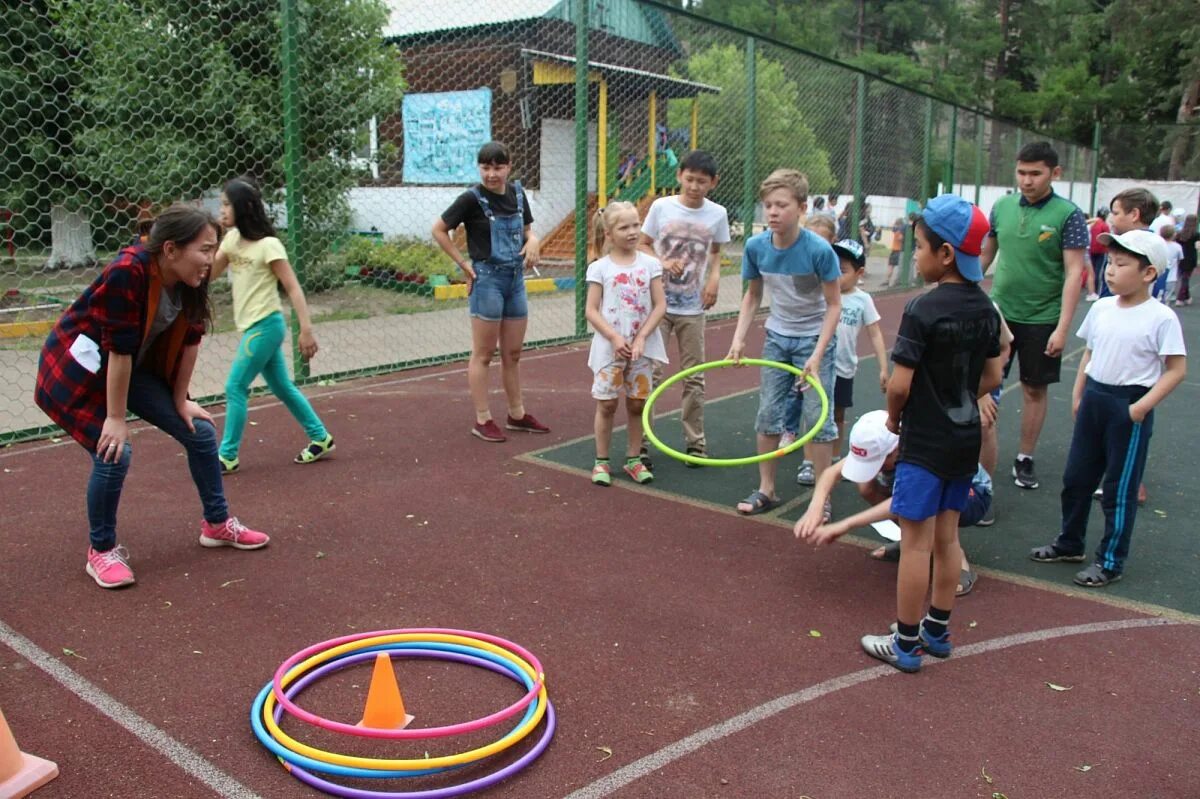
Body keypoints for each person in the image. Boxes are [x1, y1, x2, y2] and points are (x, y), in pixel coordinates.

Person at [34, 204, 269, 590]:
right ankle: (101, 551)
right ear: (171, 249)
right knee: (113, 450)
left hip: (131, 366)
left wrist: (180, 401)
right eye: (205, 249)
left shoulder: (193, 274)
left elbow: (191, 338)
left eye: (214, 248)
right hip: (79, 372)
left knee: (201, 432)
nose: (212, 259)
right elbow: (117, 351)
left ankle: (216, 524)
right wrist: (115, 418)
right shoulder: (128, 272)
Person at [859, 194, 1003, 672]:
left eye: (919, 246)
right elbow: (995, 373)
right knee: (947, 540)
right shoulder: (985, 307)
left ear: (944, 254)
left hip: (925, 441)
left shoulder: (923, 309)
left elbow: (899, 384)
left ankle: (904, 642)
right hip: (964, 440)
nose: (915, 254)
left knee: (915, 544)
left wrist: (897, 419)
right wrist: (962, 391)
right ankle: (938, 632)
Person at [1029, 229, 1186, 587]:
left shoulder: (1160, 317)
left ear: (1148, 273)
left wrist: (1140, 408)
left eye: (1121, 264)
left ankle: (1111, 561)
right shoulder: (1100, 307)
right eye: (1109, 263)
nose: (1110, 270)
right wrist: (1078, 394)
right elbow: (1089, 353)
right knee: (1075, 479)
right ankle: (1070, 542)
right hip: (1094, 400)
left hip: (1128, 406)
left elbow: (1177, 370)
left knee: (1119, 488)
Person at [727, 169, 841, 517]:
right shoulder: (756, 247)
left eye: (781, 205)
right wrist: (738, 339)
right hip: (777, 336)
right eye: (767, 206)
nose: (772, 212)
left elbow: (835, 305)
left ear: (801, 207)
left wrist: (818, 355)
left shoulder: (819, 250)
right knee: (768, 413)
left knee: (817, 418)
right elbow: (753, 295)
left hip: (813, 338)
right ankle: (767, 489)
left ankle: (822, 499)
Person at [981, 141, 1088, 491]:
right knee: (983, 383)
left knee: (1033, 389)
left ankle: (1024, 457)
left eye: (1035, 173)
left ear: (1055, 173)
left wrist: (1061, 328)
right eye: (1021, 172)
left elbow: (1074, 273)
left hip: (1043, 318)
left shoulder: (1068, 215)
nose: (1027, 180)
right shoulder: (1001, 207)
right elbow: (986, 254)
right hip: (1000, 314)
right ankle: (977, 462)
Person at [794, 411, 994, 598]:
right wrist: (816, 506)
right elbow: (831, 472)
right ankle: (913, 539)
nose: (878, 467)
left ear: (894, 450)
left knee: (935, 501)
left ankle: (958, 561)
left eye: (880, 461)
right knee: (866, 486)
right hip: (915, 490)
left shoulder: (919, 453)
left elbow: (902, 502)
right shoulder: (889, 440)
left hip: (973, 494)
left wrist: (846, 524)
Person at [209, 177, 334, 473]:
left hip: (266, 325)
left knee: (235, 386)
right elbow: (208, 274)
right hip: (253, 327)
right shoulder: (230, 241)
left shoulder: (268, 245)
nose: (222, 210)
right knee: (282, 386)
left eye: (226, 204)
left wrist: (306, 329)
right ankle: (320, 437)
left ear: (243, 207)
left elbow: (292, 288)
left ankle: (227, 455)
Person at [432, 141, 548, 442]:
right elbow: (439, 230)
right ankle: (483, 419)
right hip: (487, 280)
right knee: (484, 353)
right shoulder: (471, 198)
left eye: (498, 167)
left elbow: (527, 231)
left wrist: (533, 240)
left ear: (508, 167)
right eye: (486, 167)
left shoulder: (517, 194)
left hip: (515, 280)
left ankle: (517, 414)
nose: (492, 174)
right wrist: (463, 264)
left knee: (513, 353)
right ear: (479, 168)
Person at [638, 149, 731, 465]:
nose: (694, 186)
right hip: (658, 305)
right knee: (651, 372)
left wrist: (714, 279)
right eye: (689, 179)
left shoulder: (717, 214)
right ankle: (641, 443)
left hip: (693, 307)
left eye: (701, 182)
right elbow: (642, 244)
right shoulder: (662, 207)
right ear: (679, 176)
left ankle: (695, 443)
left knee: (693, 376)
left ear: (712, 183)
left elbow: (716, 252)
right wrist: (662, 262)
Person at [585, 201, 668, 486]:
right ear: (608, 233)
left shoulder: (651, 264)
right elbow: (591, 310)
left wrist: (642, 336)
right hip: (610, 350)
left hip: (641, 350)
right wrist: (614, 337)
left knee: (637, 403)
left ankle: (634, 458)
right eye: (624, 227)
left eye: (636, 225)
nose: (633, 231)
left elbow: (660, 305)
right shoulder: (599, 268)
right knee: (606, 404)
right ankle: (601, 461)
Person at [779, 214, 835, 453]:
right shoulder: (796, 260)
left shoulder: (829, 265)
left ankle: (815, 453)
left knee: (820, 400)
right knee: (794, 391)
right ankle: (789, 430)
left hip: (820, 337)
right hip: (792, 333)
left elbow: (834, 304)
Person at [1086, 208, 1109, 301]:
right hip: (1101, 251)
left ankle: (1091, 291)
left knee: (1092, 272)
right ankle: (1096, 292)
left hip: (1091, 250)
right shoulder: (1104, 225)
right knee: (1098, 272)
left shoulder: (1093, 224)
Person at [1176, 214, 1198, 306]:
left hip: (1181, 256)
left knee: (1184, 277)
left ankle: (1187, 297)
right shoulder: (1195, 235)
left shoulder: (1180, 234)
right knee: (1186, 278)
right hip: (1191, 256)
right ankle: (1180, 298)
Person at [1159, 224, 1182, 302]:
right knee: (1167, 297)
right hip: (1171, 276)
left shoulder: (1159, 244)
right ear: (1173, 235)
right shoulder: (1177, 246)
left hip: (1159, 275)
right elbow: (1180, 259)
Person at [886, 217, 905, 287]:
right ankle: (896, 281)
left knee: (891, 265)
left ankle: (888, 280)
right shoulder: (901, 230)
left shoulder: (895, 230)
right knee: (898, 266)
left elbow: (893, 228)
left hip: (895, 249)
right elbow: (900, 238)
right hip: (898, 249)